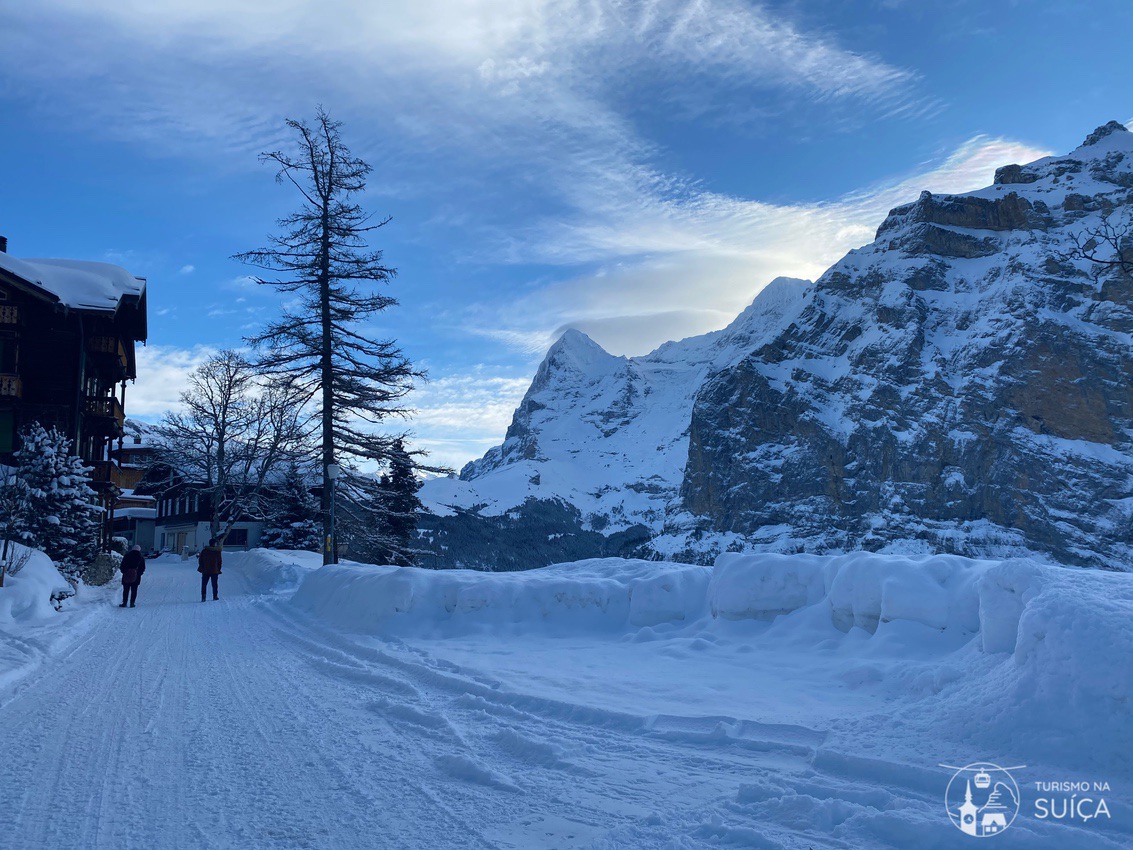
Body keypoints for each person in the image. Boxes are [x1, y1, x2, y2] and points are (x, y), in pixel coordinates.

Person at [197, 537, 223, 602]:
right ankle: (215, 596)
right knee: (214, 584)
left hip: (206, 570)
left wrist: (202, 567)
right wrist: (218, 569)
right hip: (214, 570)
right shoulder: (217, 552)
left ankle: (203, 597)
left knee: (204, 584)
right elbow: (220, 562)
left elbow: (200, 560)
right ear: (214, 544)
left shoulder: (204, 551)